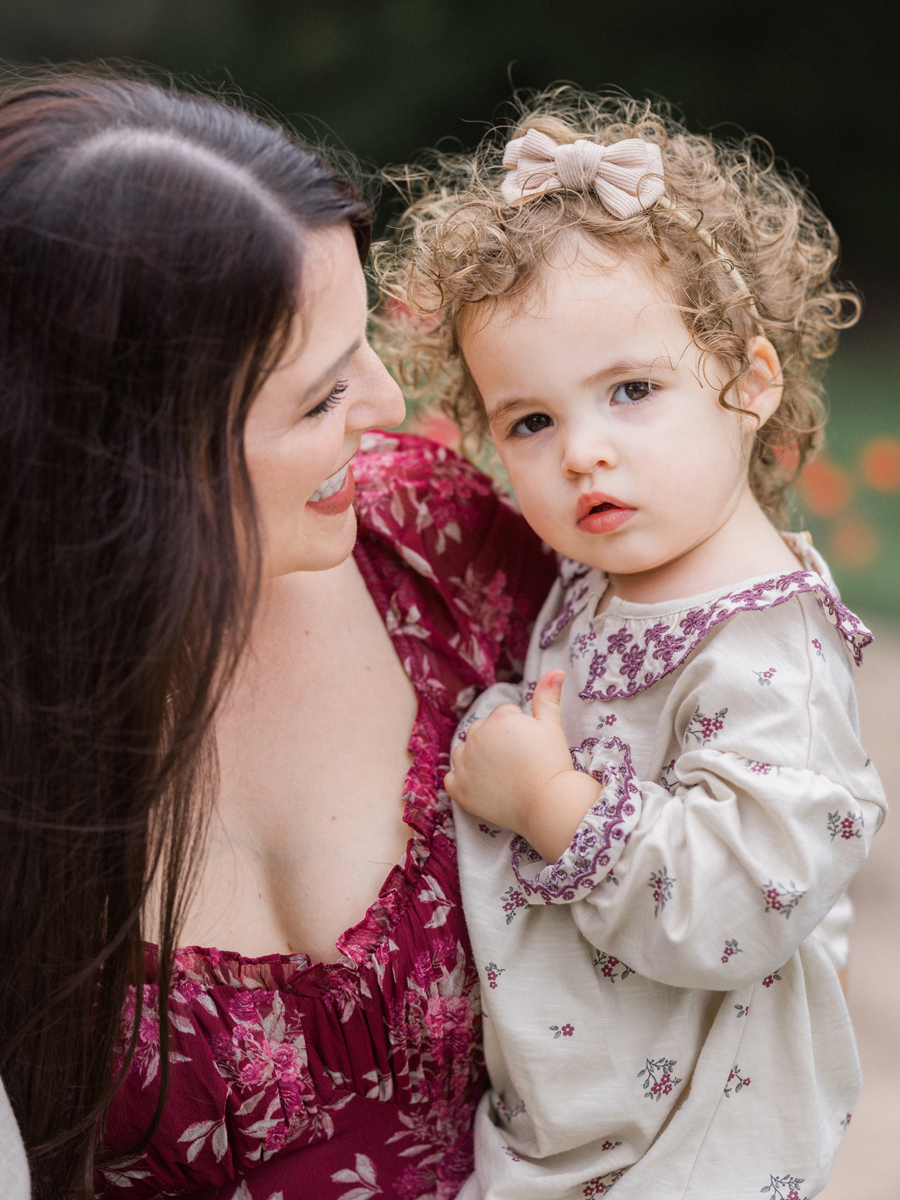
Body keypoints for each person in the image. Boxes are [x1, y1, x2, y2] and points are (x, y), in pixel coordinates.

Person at [0, 71, 556, 1199]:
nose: (389, 404)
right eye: (316, 398)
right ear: (126, 465)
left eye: (364, 343)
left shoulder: (438, 547)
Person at [377, 89, 888, 1199]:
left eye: (633, 391)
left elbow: (739, 903)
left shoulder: (767, 648)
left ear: (749, 385)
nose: (583, 454)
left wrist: (548, 799)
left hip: (689, 1140)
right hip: (576, 1117)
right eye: (532, 421)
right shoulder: (606, 579)